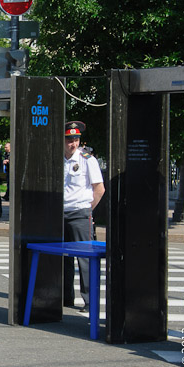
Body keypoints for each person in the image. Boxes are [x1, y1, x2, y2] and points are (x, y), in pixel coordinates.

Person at [63, 121, 105, 312]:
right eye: (69, 139)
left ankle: (89, 301)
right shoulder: (57, 159)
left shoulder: (88, 159)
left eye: (76, 139)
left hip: (79, 213)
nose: (73, 143)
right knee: (61, 258)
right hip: (59, 213)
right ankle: (65, 297)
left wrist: (88, 210)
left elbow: (99, 189)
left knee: (84, 259)